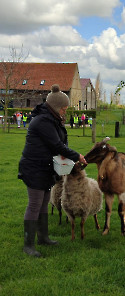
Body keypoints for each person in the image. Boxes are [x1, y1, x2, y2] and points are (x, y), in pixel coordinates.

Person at [18, 84, 87, 257]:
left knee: (44, 201)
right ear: (56, 107)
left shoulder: (53, 120)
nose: (65, 112)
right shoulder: (42, 121)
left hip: (46, 166)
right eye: (63, 109)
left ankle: (43, 238)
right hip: (34, 167)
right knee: (35, 203)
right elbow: (56, 144)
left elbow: (61, 143)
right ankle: (28, 245)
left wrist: (68, 155)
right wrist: (76, 156)